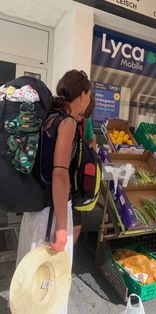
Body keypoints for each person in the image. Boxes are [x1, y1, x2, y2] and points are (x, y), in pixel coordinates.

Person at [16, 69, 91, 314]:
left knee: (32, 283)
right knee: (50, 287)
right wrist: (61, 229)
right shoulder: (67, 122)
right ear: (82, 94)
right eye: (89, 94)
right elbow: (59, 174)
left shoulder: (48, 118)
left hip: (36, 210)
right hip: (51, 214)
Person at [72, 92, 96, 245]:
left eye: (84, 115)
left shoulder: (85, 121)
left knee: (76, 226)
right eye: (80, 114)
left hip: (76, 180)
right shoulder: (62, 119)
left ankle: (65, 260)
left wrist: (93, 152)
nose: (81, 118)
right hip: (61, 181)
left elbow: (92, 137)